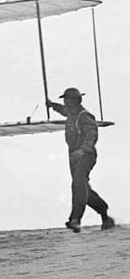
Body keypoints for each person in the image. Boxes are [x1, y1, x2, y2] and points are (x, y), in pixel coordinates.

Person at [46, 88, 114, 233]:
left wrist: (81, 151)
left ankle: (75, 219)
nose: (65, 102)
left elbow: (91, 136)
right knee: (84, 190)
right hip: (74, 156)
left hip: (86, 155)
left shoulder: (84, 116)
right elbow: (63, 110)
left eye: (67, 100)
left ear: (75, 101)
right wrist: (52, 105)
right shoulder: (72, 113)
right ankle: (105, 215)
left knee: (78, 184)